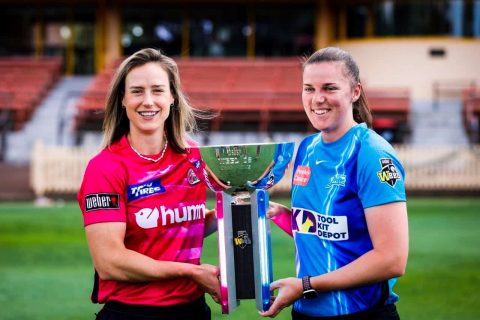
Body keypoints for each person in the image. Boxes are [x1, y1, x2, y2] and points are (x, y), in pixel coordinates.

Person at [261, 47, 409, 319]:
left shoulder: (372, 155)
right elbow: (327, 230)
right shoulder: (307, 148)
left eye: (329, 88)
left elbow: (392, 259)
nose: (317, 99)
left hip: (361, 312)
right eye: (309, 89)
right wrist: (281, 215)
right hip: (306, 312)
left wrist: (306, 285)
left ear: (354, 92)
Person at [77, 48, 221, 320]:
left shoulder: (192, 156)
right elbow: (110, 262)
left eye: (157, 90)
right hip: (133, 313)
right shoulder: (105, 168)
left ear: (172, 97)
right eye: (137, 91)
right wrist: (190, 272)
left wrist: (245, 210)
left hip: (193, 310)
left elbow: (178, 228)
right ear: (122, 99)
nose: (148, 101)